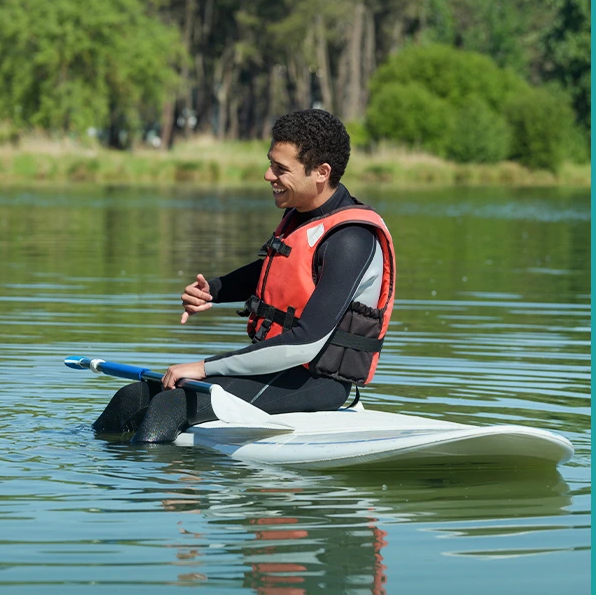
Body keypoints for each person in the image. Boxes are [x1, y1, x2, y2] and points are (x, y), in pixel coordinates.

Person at [93, 108, 395, 443]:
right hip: (277, 369)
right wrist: (215, 290)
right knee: (131, 397)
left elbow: (306, 343)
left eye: (281, 169)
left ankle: (165, 489)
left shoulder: (351, 239)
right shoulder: (303, 217)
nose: (268, 175)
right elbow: (277, 272)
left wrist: (204, 367)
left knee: (172, 404)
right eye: (270, 162)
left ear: (321, 172)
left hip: (317, 382)